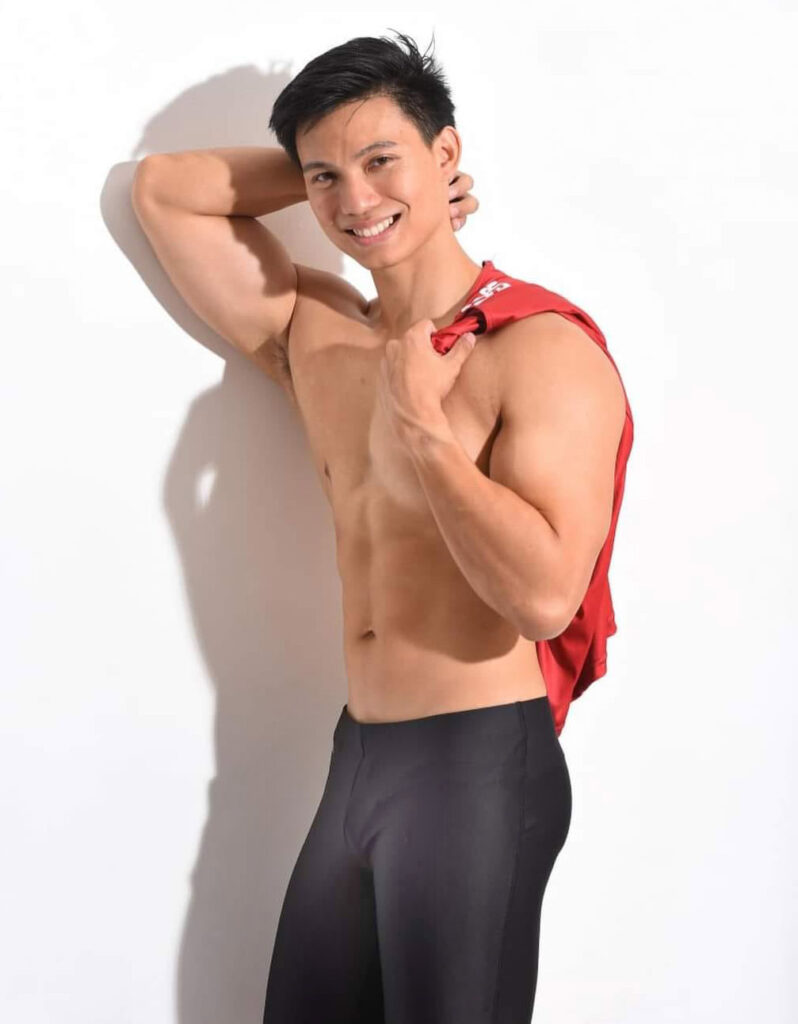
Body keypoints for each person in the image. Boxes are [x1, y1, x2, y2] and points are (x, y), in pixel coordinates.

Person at [132, 30, 629, 1023]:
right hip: (358, 756)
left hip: (476, 763)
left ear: (450, 155)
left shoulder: (535, 349)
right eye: (326, 176)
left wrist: (425, 432)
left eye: (383, 160)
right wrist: (348, 172)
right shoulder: (316, 331)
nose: (354, 199)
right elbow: (165, 192)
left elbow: (543, 598)